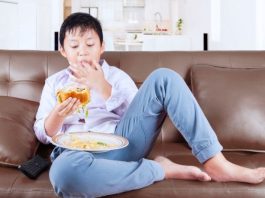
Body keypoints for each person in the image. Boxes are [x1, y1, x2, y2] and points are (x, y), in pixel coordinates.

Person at [34, 12, 265, 198]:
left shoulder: (116, 77)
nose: (82, 51)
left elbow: (137, 117)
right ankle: (160, 169)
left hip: (121, 146)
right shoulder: (54, 84)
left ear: (102, 46)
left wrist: (103, 86)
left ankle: (216, 162)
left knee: (164, 77)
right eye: (74, 46)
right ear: (63, 51)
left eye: (90, 44)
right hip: (76, 154)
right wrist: (58, 115)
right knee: (63, 176)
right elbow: (43, 133)